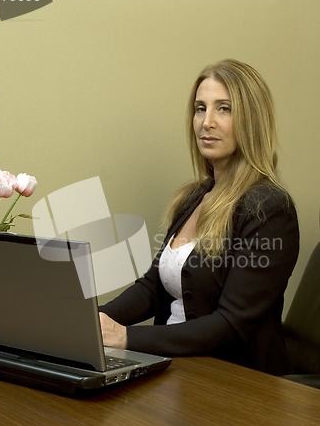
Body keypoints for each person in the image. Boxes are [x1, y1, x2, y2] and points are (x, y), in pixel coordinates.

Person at [99, 58, 299, 375]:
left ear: (252, 120)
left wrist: (124, 337)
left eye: (224, 108)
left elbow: (230, 324)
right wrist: (94, 321)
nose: (207, 122)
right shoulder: (193, 197)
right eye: (200, 108)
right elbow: (153, 288)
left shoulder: (271, 208)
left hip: (232, 380)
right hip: (171, 365)